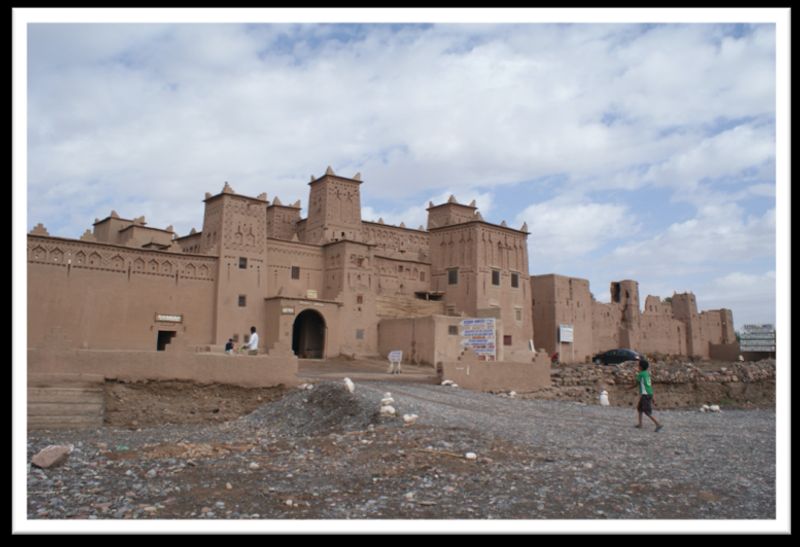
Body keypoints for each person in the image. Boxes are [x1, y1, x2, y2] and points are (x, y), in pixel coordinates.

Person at [630, 355, 663, 432]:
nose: (638, 367)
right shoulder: (647, 374)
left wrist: (628, 388)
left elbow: (636, 384)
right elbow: (649, 386)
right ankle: (640, 424)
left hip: (645, 395)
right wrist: (653, 397)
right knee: (639, 409)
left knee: (646, 411)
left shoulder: (640, 374)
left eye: (638, 366)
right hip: (648, 393)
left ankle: (658, 424)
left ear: (640, 367)